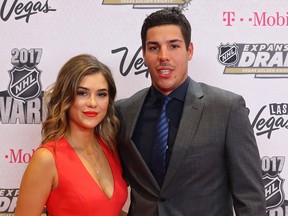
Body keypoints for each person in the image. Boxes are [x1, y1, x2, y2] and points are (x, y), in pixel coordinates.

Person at [115, 7, 266, 216]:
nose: (163, 56)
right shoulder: (123, 112)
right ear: (144, 53)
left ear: (189, 51)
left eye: (174, 46)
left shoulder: (227, 108)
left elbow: (250, 199)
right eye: (154, 48)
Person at [15, 54, 128, 216]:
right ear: (66, 97)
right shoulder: (47, 158)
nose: (93, 103)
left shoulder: (109, 146)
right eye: (82, 93)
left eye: (101, 94)